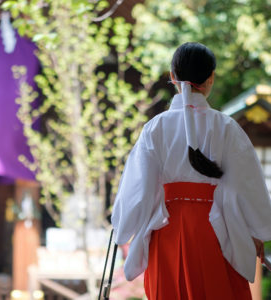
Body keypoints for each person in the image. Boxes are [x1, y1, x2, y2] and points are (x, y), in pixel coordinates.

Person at [111, 42, 271, 299]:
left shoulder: (155, 128)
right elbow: (248, 186)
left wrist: (123, 224)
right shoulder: (226, 127)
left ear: (172, 76)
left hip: (167, 234)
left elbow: (138, 189)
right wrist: (258, 231)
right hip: (217, 231)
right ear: (211, 78)